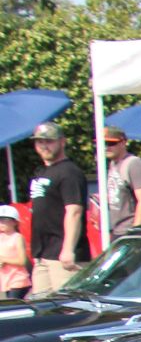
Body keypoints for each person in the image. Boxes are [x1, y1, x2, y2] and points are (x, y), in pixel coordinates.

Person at [27, 121, 88, 295]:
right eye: (40, 141)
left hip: (63, 255)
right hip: (42, 254)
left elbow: (74, 211)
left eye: (49, 141)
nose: (44, 145)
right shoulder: (41, 172)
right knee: (42, 312)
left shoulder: (69, 172)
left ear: (62, 141)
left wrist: (68, 249)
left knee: (67, 309)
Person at [103, 126, 141, 237]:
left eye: (111, 143)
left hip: (131, 230)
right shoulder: (112, 164)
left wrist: (135, 233)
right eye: (103, 144)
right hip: (118, 230)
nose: (106, 147)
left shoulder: (133, 163)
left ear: (123, 142)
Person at [0, 206, 29, 299]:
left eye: (5, 220)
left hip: (18, 279)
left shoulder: (17, 237)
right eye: (0, 220)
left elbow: (22, 261)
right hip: (6, 279)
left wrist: (4, 260)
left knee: (13, 307)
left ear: (15, 222)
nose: (2, 223)